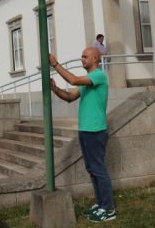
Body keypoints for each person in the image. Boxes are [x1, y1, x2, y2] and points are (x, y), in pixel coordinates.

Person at [49, 48, 115, 223]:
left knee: (98, 169)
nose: (82, 59)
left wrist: (55, 64)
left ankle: (108, 208)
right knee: (92, 169)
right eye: (82, 56)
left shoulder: (98, 76)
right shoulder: (87, 83)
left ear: (95, 59)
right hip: (85, 130)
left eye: (85, 57)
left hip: (96, 130)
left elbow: (73, 79)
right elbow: (70, 96)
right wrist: (55, 89)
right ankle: (100, 204)